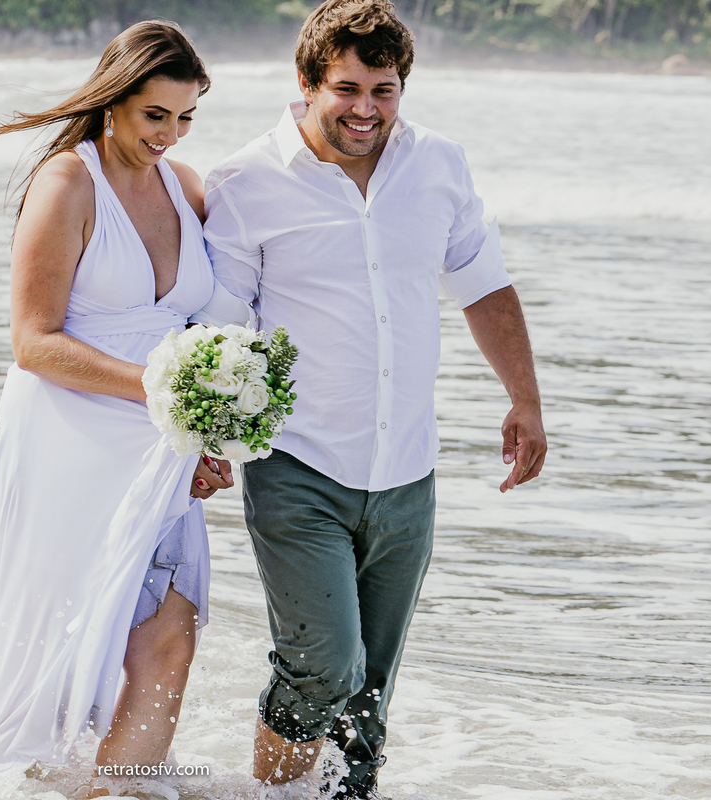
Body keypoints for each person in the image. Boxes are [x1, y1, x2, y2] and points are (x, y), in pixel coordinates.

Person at [197, 1, 548, 797]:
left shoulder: (439, 165)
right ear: (306, 81)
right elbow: (221, 329)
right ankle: (275, 796)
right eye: (347, 88)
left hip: (406, 472)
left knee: (370, 689)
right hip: (297, 465)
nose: (365, 110)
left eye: (383, 91)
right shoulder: (246, 181)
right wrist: (207, 440)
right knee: (323, 661)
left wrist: (525, 400)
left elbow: (483, 286)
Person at [0, 22, 238, 790]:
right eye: (154, 115)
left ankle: (123, 785)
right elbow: (34, 341)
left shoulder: (186, 187)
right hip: (69, 434)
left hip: (157, 444)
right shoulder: (67, 182)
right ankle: (38, 778)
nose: (170, 134)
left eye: (186, 116)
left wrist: (205, 429)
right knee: (64, 644)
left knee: (171, 629)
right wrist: (160, 392)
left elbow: (197, 327)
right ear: (112, 103)